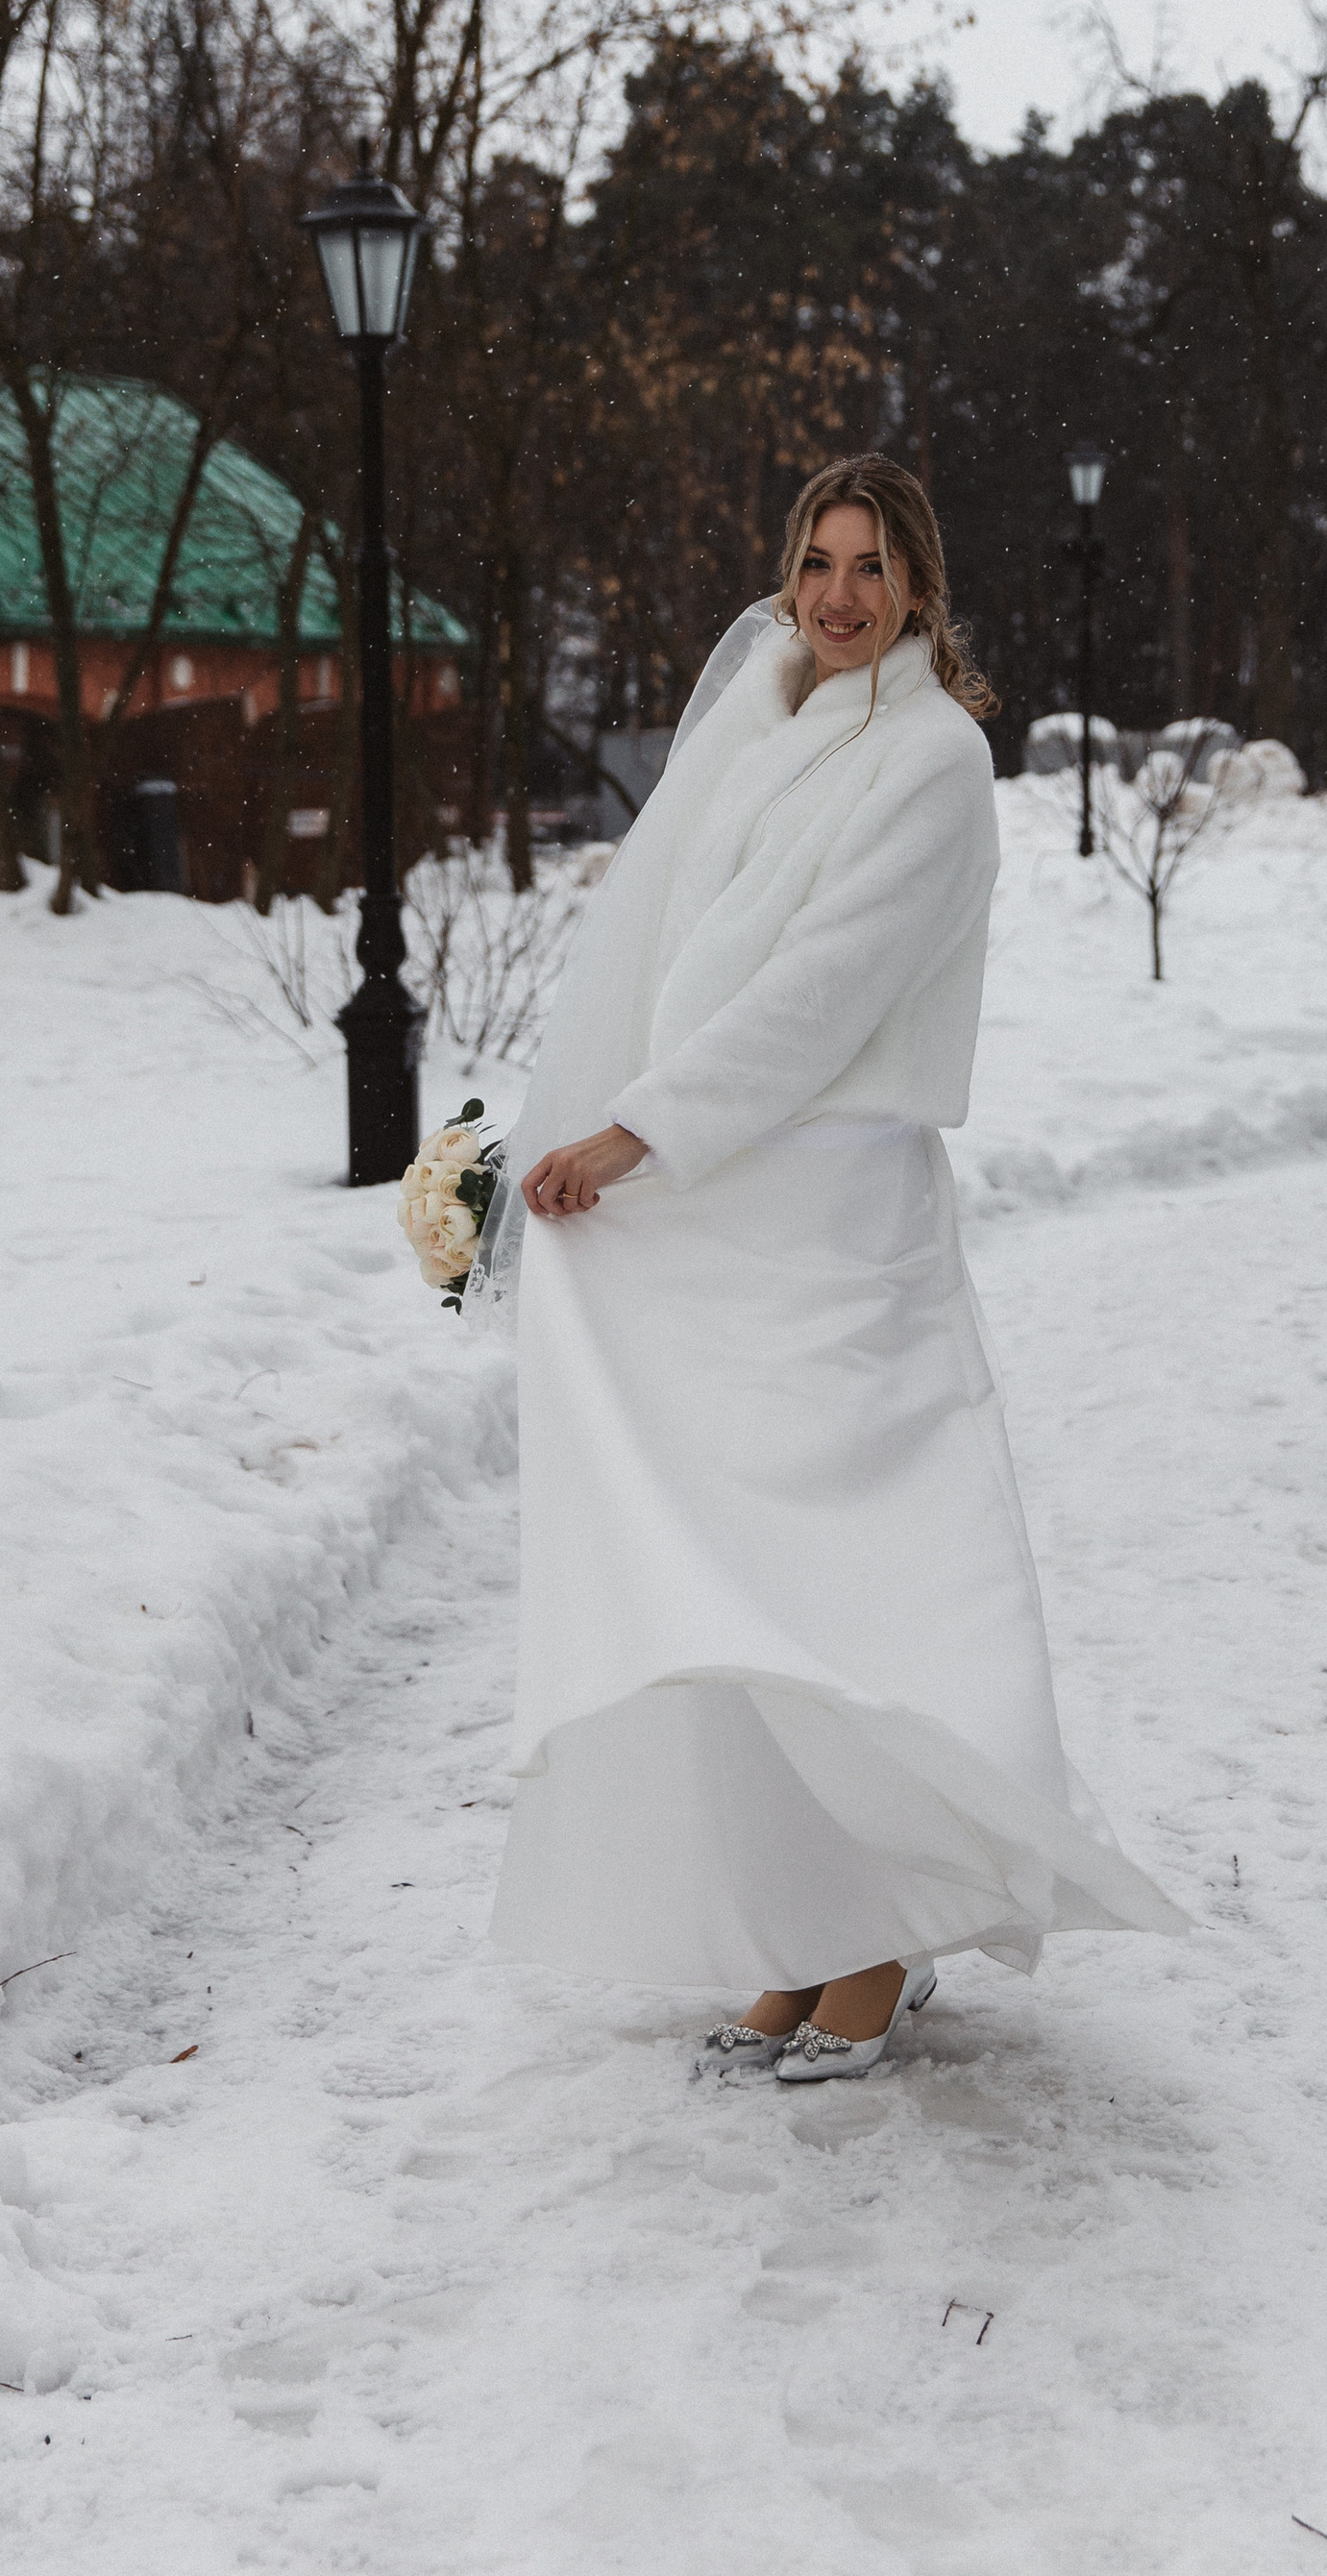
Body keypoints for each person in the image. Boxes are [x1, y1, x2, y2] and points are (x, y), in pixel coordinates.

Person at [479, 454, 1185, 2085]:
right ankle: (801, 1926)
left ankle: (878, 1933)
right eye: (817, 560)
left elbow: (818, 992)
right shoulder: (772, 730)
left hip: (835, 1217)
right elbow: (666, 949)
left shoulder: (935, 763)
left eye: (873, 566)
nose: (840, 595)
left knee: (846, 1581)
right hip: (724, 1205)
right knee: (736, 1583)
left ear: (922, 586)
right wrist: (584, 1133)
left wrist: (636, 1134)